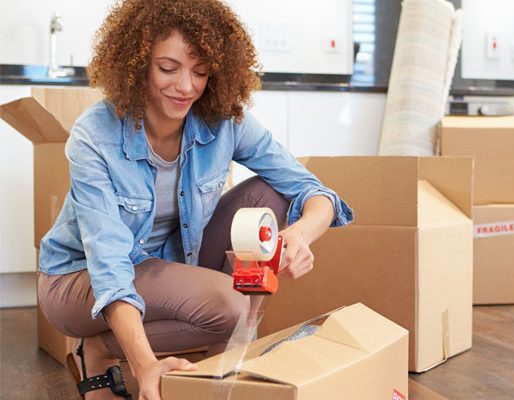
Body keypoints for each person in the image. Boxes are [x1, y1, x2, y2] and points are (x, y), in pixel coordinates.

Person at [36, 1, 353, 399]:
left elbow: (315, 192)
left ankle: (227, 354)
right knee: (231, 306)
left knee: (269, 192)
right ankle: (99, 348)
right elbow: (109, 264)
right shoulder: (95, 135)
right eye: (168, 68)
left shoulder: (224, 121)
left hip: (166, 261)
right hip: (77, 278)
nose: (186, 86)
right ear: (137, 65)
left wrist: (302, 233)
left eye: (200, 71)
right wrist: (145, 365)